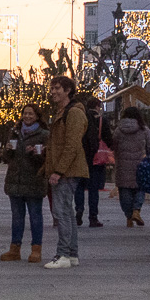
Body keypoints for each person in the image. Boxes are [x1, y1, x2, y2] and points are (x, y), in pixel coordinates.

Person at [40, 75, 88, 269]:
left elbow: (72, 145)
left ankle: (63, 255)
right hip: (65, 168)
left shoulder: (74, 113)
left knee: (61, 212)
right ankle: (71, 254)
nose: (53, 91)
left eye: (57, 88)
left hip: (67, 170)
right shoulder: (62, 111)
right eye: (52, 88)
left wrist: (58, 170)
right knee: (66, 212)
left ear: (68, 90)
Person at [0, 102, 48, 262]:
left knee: (35, 216)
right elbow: (6, 158)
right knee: (17, 217)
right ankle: (15, 249)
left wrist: (37, 153)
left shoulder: (44, 134)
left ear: (37, 116)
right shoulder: (14, 132)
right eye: (25, 113)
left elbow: (47, 159)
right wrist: (7, 150)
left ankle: (36, 249)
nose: (27, 116)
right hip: (15, 180)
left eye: (30, 114)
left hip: (34, 180)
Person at [111, 106, 150, 227]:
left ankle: (129, 216)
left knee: (124, 190)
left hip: (123, 165)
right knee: (140, 188)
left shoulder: (119, 130)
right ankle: (136, 210)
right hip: (140, 163)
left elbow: (114, 145)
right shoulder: (144, 129)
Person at [75, 94, 111, 228]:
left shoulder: (81, 118)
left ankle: (78, 209)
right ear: (97, 106)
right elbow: (108, 138)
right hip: (95, 158)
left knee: (79, 186)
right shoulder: (101, 120)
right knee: (93, 189)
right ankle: (93, 217)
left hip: (80, 156)